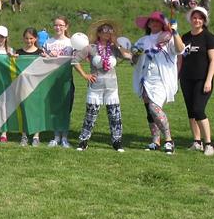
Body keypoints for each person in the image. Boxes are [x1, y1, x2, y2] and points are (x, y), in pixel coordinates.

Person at [74, 19, 132, 152]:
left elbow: (127, 56)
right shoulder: (91, 48)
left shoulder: (114, 49)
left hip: (112, 88)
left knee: (115, 116)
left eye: (110, 31)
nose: (108, 33)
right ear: (99, 33)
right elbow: (75, 60)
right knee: (90, 115)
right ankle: (83, 141)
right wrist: (85, 75)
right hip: (95, 87)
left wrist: (117, 43)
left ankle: (117, 142)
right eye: (105, 31)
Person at [132, 11, 184, 154]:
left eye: (157, 21)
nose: (154, 23)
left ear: (163, 24)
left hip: (162, 80)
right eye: (152, 21)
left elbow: (180, 49)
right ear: (148, 24)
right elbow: (134, 60)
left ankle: (168, 140)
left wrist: (175, 32)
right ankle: (155, 141)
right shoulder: (143, 40)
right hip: (145, 79)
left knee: (154, 108)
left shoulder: (169, 37)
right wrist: (135, 54)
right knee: (149, 111)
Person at [178, 5, 214, 156]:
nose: (197, 20)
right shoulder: (185, 37)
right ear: (190, 19)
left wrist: (209, 80)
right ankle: (197, 141)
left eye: (200, 18)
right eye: (194, 18)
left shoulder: (209, 38)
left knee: (198, 109)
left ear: (204, 21)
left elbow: (213, 60)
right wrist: (177, 76)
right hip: (186, 78)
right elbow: (180, 59)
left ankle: (208, 144)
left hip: (202, 79)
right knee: (191, 111)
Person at [41, 16, 75, 147]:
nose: (58, 27)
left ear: (66, 27)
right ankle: (56, 137)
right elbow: (42, 61)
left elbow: (77, 60)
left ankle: (65, 137)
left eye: (61, 25)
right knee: (54, 108)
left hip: (66, 80)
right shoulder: (48, 42)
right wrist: (46, 56)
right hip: (51, 81)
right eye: (56, 25)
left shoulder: (71, 42)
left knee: (66, 109)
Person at [17, 28, 43, 146]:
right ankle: (24, 135)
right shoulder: (19, 52)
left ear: (35, 39)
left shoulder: (40, 52)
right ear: (23, 38)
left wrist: (47, 57)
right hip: (23, 86)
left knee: (36, 110)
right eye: (26, 38)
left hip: (36, 86)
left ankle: (36, 136)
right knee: (24, 111)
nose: (29, 41)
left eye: (31, 38)